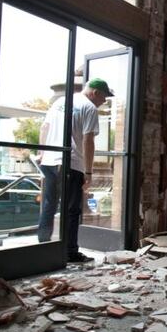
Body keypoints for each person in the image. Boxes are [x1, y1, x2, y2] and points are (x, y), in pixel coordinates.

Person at [37, 78, 113, 262]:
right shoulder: (89, 107)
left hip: (49, 161)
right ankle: (70, 252)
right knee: (72, 210)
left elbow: (44, 127)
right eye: (104, 97)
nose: (104, 101)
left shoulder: (60, 102)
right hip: (71, 162)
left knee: (49, 205)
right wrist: (88, 171)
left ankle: (43, 247)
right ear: (95, 92)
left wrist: (41, 152)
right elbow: (88, 140)